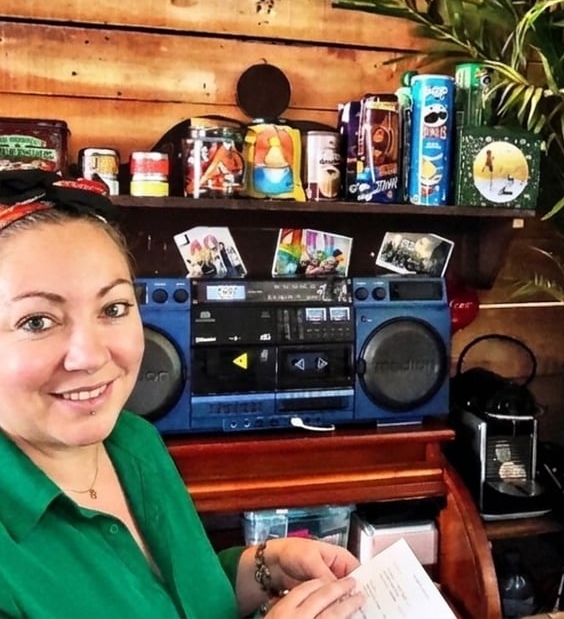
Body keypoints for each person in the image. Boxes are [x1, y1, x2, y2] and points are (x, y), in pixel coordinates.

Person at [0, 170, 365, 619]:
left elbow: (178, 599)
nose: (90, 356)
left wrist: (265, 567)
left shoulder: (136, 441)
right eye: (37, 321)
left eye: (113, 308)